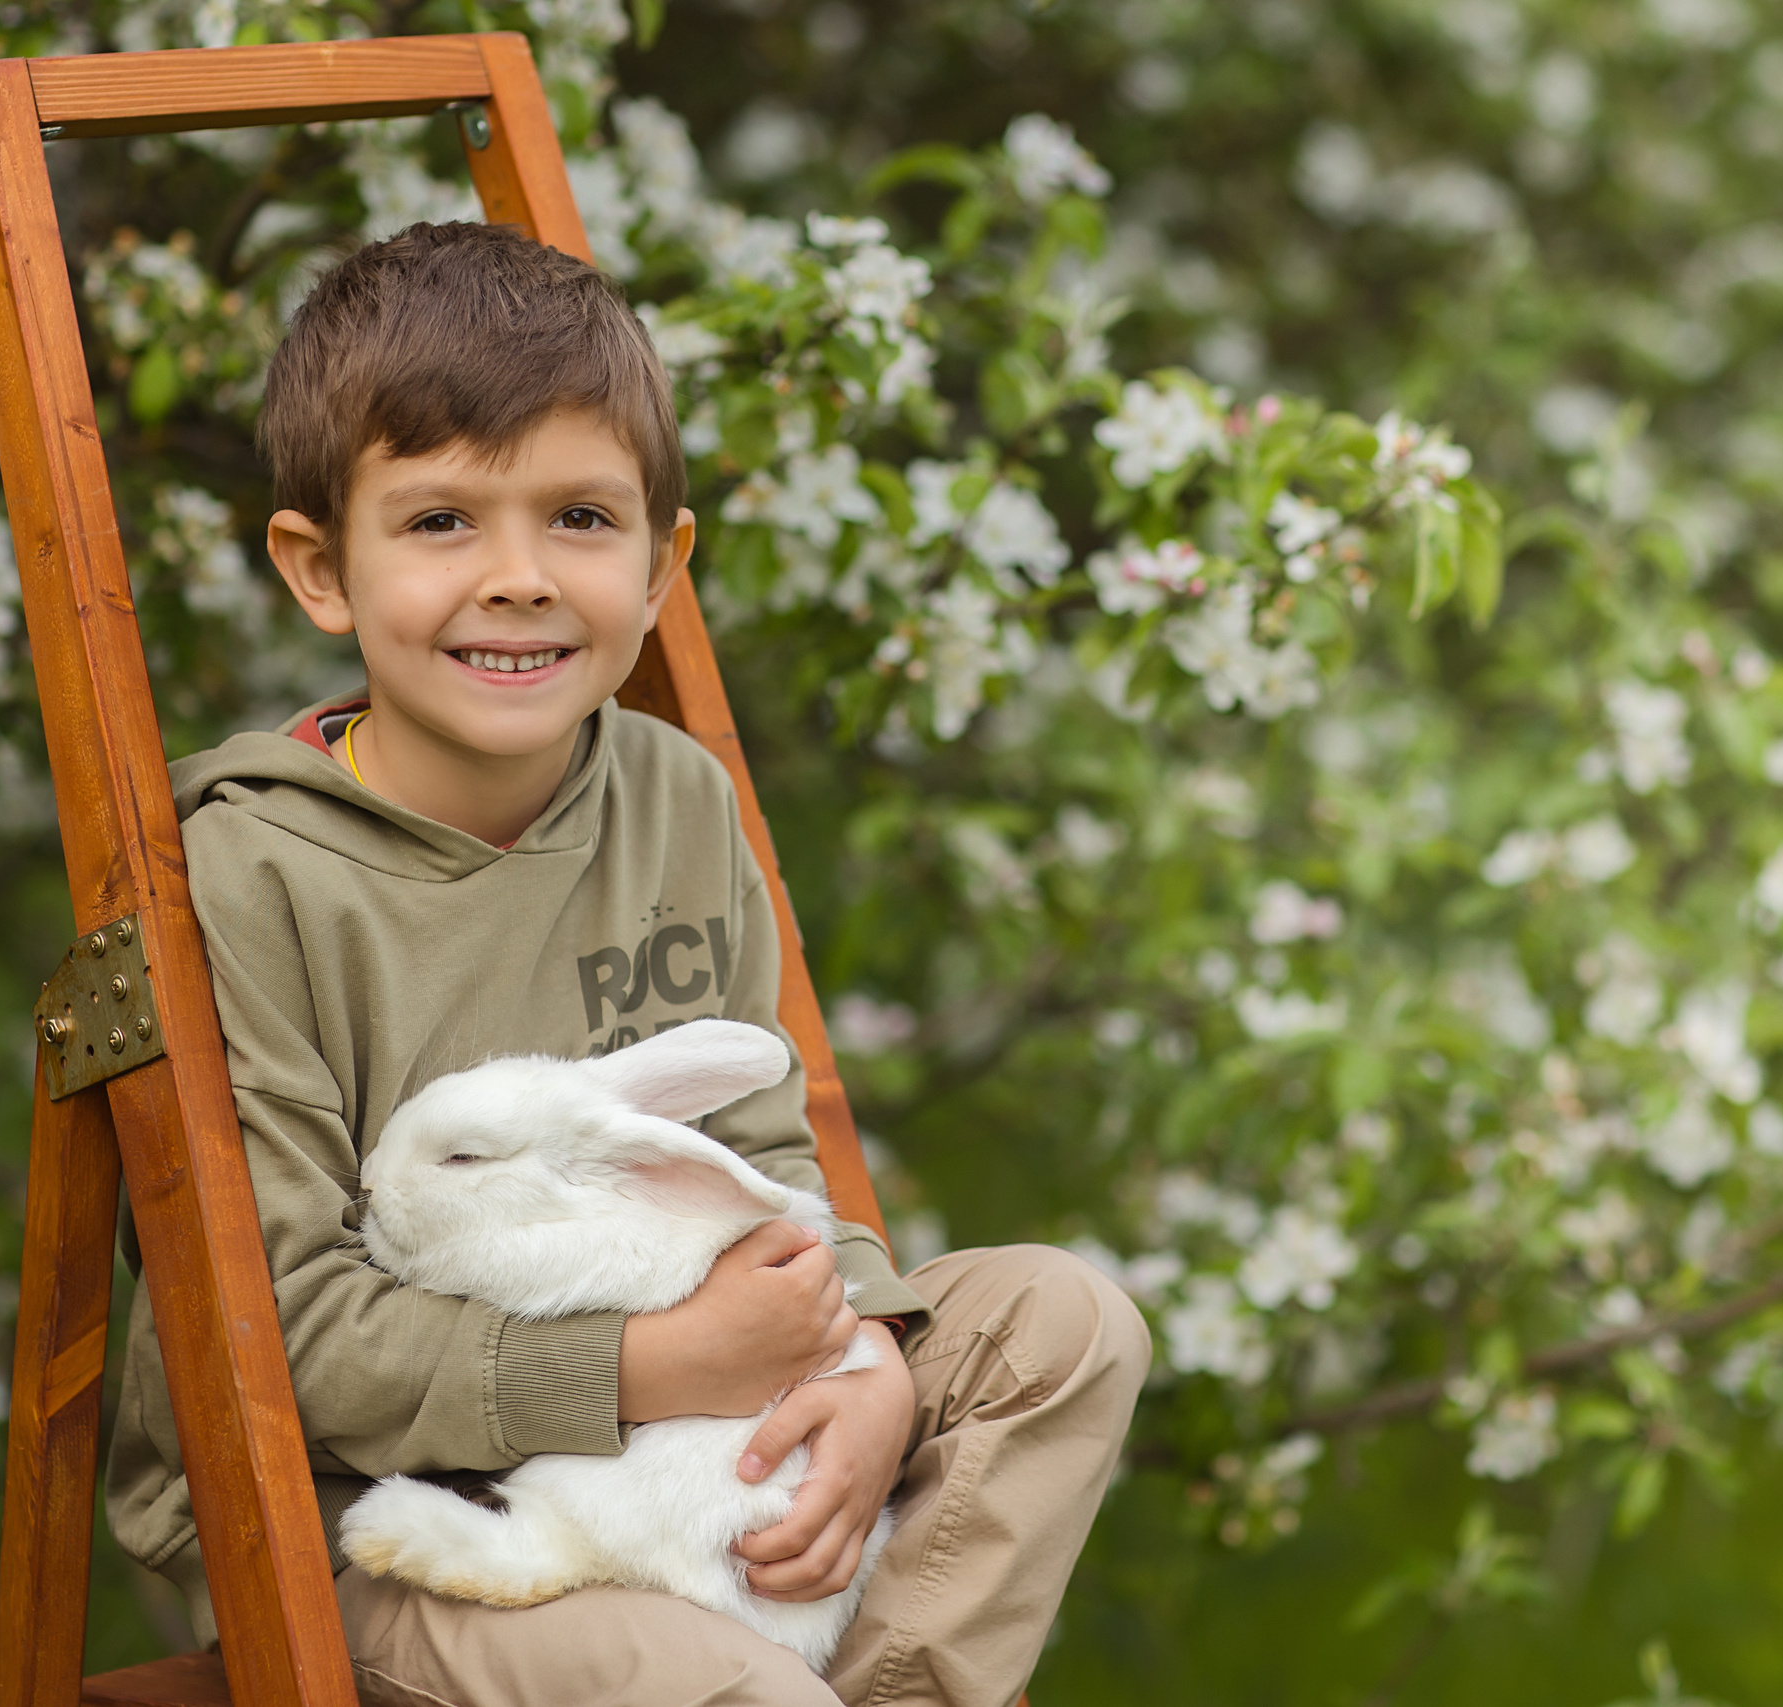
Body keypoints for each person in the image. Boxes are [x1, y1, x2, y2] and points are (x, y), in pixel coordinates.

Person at [101, 220, 1149, 1707]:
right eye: (444, 521)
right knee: (743, 1700)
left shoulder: (673, 799)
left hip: (690, 1467)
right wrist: (656, 1370)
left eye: (581, 521)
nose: (519, 578)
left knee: (1065, 1327)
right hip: (394, 1525)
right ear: (321, 568)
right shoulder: (250, 874)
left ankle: (890, 1692)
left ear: (663, 566)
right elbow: (277, 1339)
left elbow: (764, 1163)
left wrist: (867, 1370)